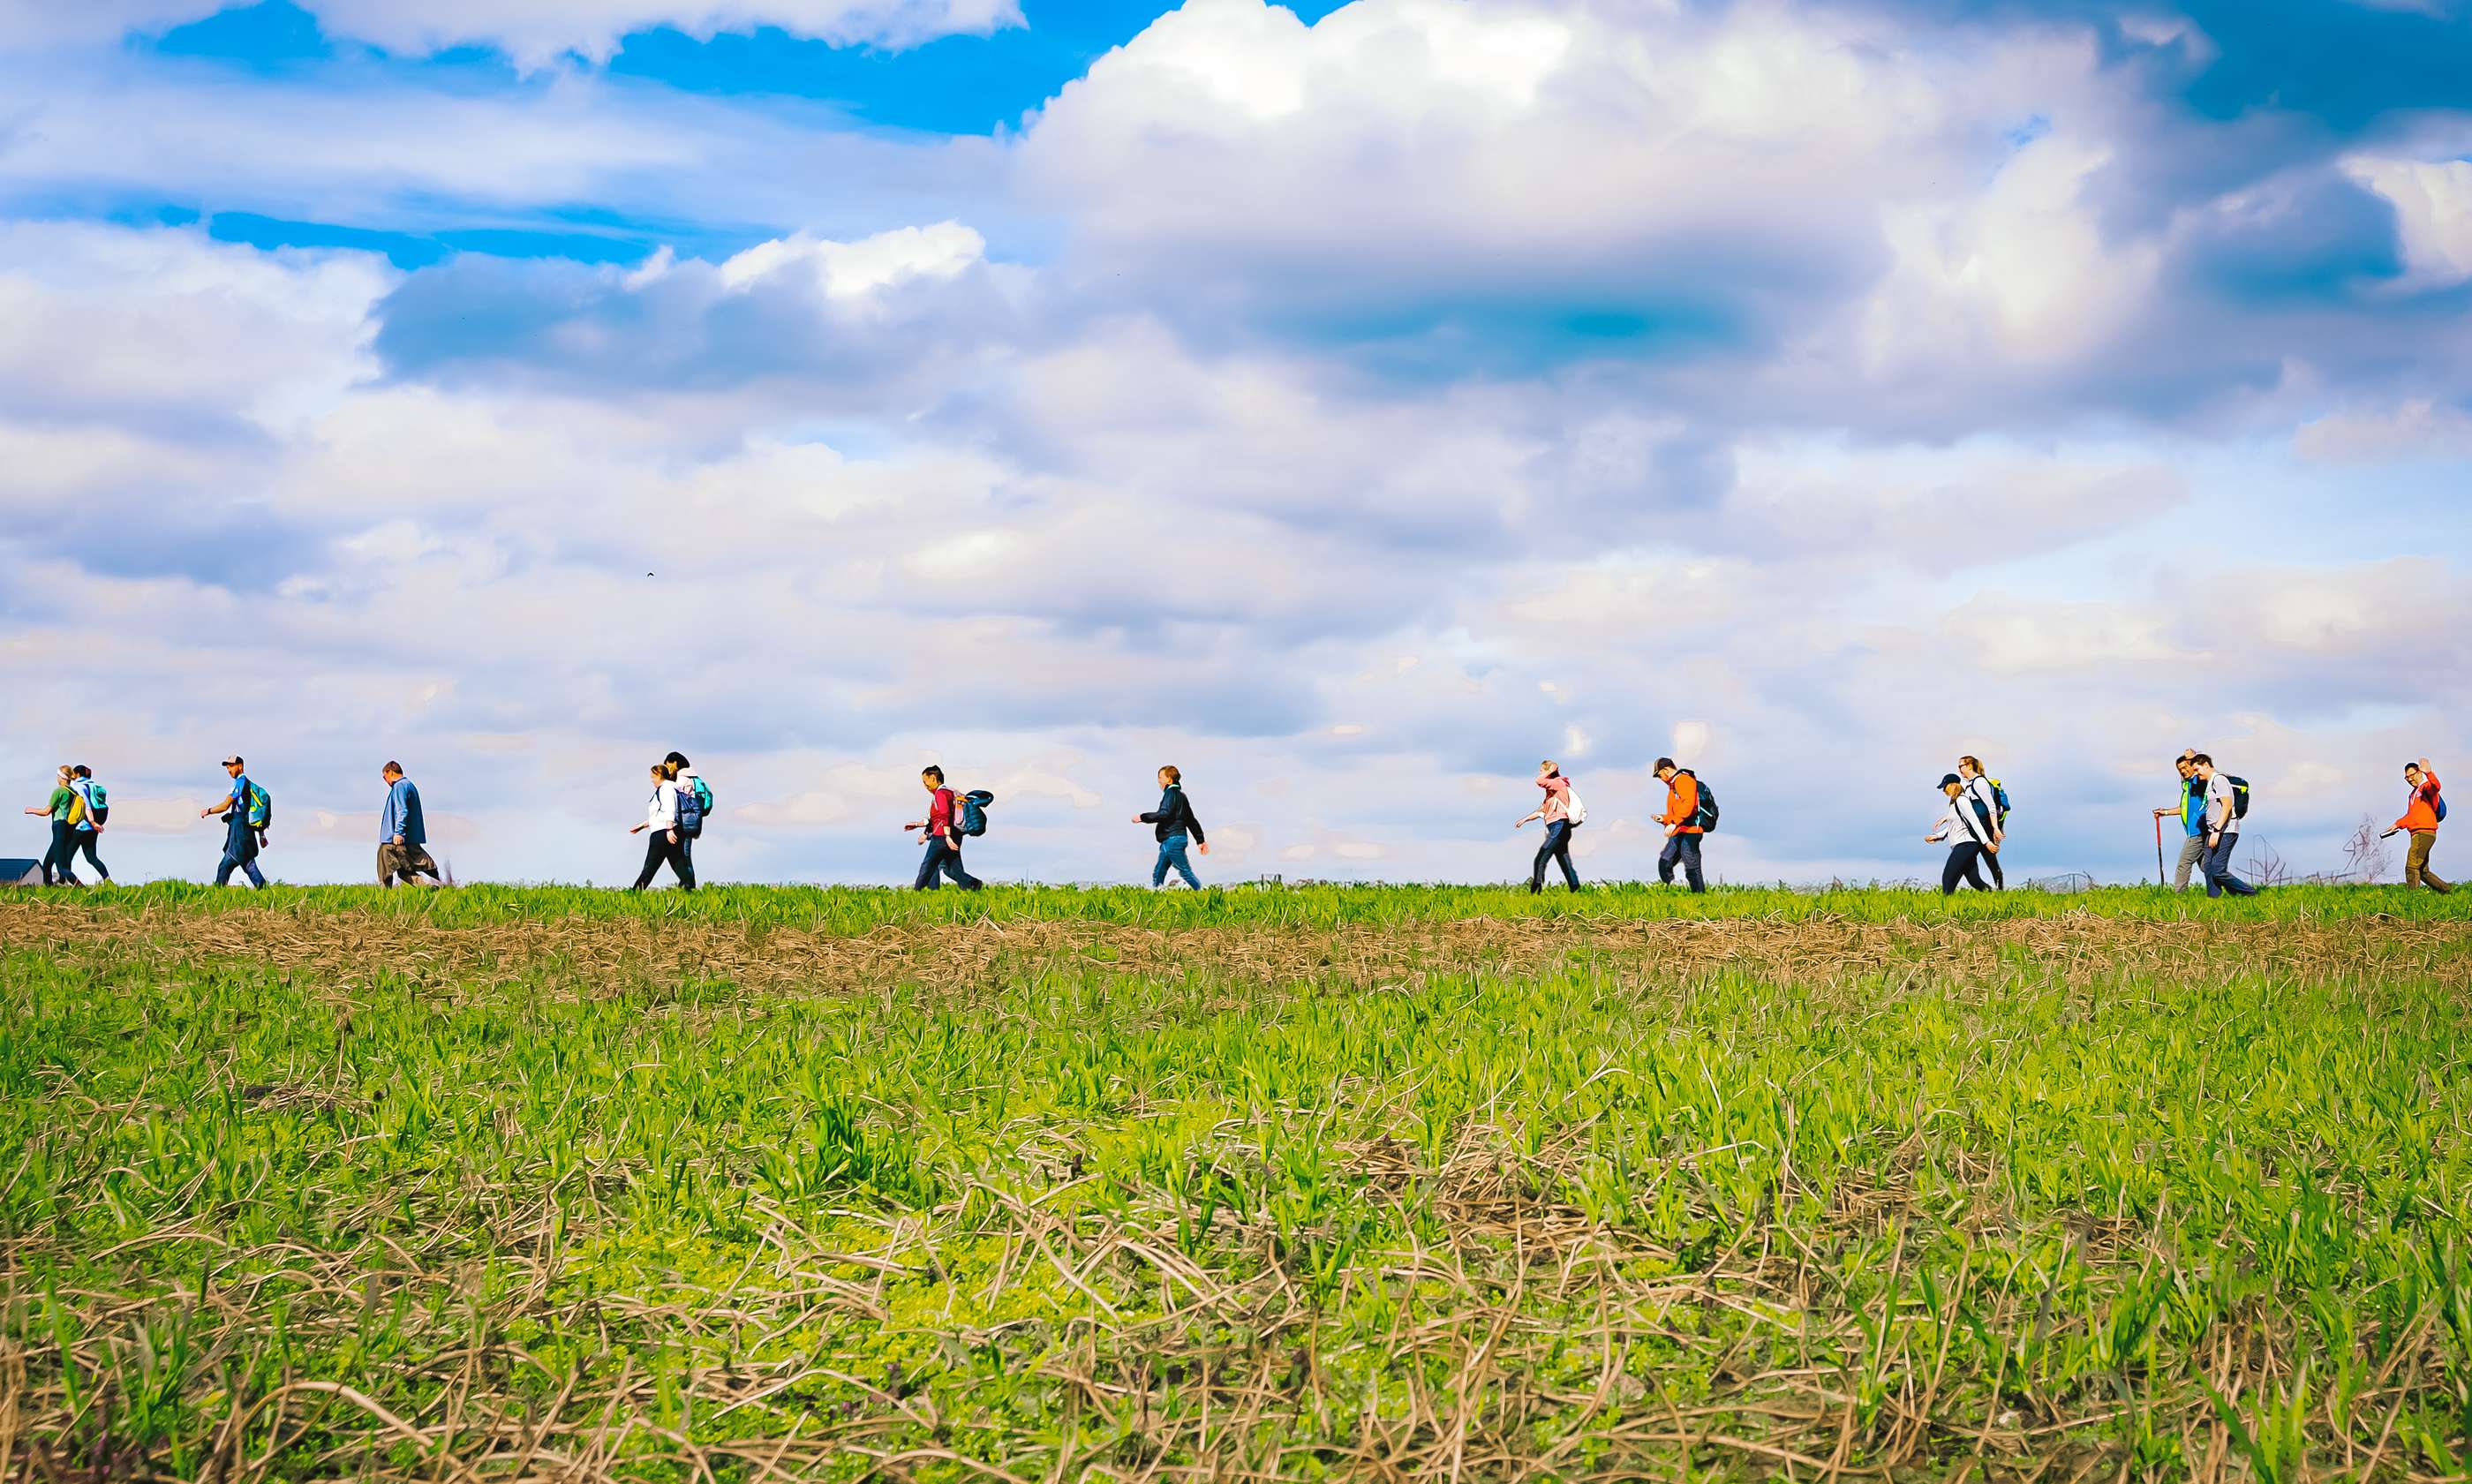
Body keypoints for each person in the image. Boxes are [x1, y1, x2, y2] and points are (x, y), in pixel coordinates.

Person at [904, 765, 982, 891]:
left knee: (928, 865)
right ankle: (971, 889)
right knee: (954, 869)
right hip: (954, 835)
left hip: (942, 837)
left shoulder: (940, 794)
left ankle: (918, 893)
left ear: (933, 778)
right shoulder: (951, 792)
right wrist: (918, 826)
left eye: (925, 782)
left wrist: (947, 837)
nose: (925, 786)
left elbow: (944, 815)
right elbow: (935, 818)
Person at [2191, 754, 2257, 897]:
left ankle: (2250, 893)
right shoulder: (2210, 784)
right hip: (2213, 831)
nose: (2196, 774)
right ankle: (2214, 900)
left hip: (2225, 830)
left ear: (2206, 765)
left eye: (2197, 770)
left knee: (2217, 869)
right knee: (2208, 867)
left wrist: (2217, 830)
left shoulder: (2219, 780)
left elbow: (2227, 806)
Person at [1134, 765, 1209, 888]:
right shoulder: (1181, 796)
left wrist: (1142, 817)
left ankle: (1202, 892)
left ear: (1169, 779)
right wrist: (1200, 840)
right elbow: (1191, 820)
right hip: (1172, 839)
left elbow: (1164, 814)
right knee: (1159, 871)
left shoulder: (1170, 794)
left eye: (1160, 777)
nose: (1158, 780)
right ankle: (1156, 895)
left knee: (1184, 871)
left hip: (1172, 840)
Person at [1514, 760, 1582, 893]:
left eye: (1541, 771)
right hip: (1555, 827)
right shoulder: (1551, 793)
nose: (1540, 774)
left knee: (1541, 856)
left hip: (1560, 826)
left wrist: (1550, 771)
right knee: (1564, 860)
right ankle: (1576, 889)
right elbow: (1542, 811)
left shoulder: (1558, 783)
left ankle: (1535, 891)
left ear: (1548, 771)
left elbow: (1539, 781)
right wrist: (1524, 820)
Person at [200, 754, 268, 888]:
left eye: (231, 766)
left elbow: (226, 805)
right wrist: (261, 835)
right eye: (227, 767)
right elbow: (253, 812)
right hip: (246, 831)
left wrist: (208, 811)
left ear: (240, 766)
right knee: (249, 864)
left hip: (240, 833)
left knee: (225, 865)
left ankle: (217, 894)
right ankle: (264, 890)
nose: (229, 770)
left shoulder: (240, 782)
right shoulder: (249, 785)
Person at [1926, 772, 1998, 894]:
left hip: (1966, 845)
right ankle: (1997, 897)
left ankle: (1946, 907)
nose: (1944, 790)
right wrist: (1938, 836)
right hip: (1963, 845)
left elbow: (1975, 823)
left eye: (1945, 786)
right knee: (1974, 880)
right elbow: (1954, 826)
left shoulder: (1962, 801)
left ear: (1954, 785)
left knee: (1948, 877)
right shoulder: (1954, 803)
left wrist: (1987, 842)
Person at [629, 760, 696, 891]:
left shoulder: (666, 788)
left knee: (650, 867)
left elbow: (670, 808)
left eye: (653, 777)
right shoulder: (670, 788)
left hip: (663, 833)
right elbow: (660, 814)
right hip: (668, 830)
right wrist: (642, 826)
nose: (652, 780)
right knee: (678, 864)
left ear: (660, 775)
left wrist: (669, 829)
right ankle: (690, 891)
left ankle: (634, 894)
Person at [2389, 757, 2451, 894]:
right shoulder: (2413, 795)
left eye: (2411, 775)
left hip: (2424, 832)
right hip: (2417, 833)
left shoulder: (2426, 787)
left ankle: (2413, 899)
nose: (2410, 779)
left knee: (2411, 866)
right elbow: (2411, 816)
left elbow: (2436, 787)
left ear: (2419, 772)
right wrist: (2397, 824)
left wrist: (2429, 773)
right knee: (2422, 870)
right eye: (2407, 777)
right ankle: (2447, 890)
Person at [378, 762, 444, 888]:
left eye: (384, 776)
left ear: (390, 772)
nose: (385, 780)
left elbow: (402, 810)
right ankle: (426, 887)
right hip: (407, 839)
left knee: (385, 869)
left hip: (394, 839)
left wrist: (398, 832)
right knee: (403, 870)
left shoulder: (400, 786)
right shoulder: (409, 785)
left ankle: (383, 898)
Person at [2152, 751, 2206, 890]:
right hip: (2194, 832)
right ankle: (2234, 889)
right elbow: (2184, 809)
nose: (2182, 771)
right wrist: (2165, 812)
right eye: (2179, 769)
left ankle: (2180, 896)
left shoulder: (2198, 782)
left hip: (2198, 831)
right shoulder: (2187, 787)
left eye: (2185, 767)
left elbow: (2203, 768)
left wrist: (2192, 758)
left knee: (2184, 862)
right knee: (2207, 866)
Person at [1653, 757, 1707, 893]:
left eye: (1659, 775)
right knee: (1665, 862)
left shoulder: (1684, 780)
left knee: (1692, 867)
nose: (1660, 779)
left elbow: (1688, 805)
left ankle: (1700, 898)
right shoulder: (1674, 785)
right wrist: (1664, 819)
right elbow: (1678, 809)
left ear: (1666, 770)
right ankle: (1672, 890)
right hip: (1679, 829)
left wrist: (1674, 822)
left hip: (1691, 831)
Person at [23, 765, 82, 885]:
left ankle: (82, 888)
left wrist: (31, 810)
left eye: (57, 775)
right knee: (47, 864)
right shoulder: (73, 792)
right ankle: (48, 889)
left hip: (59, 827)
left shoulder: (59, 791)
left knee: (61, 868)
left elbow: (46, 811)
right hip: (68, 829)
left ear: (61, 777)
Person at [1956, 756, 2006, 889]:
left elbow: (1991, 807)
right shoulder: (1967, 784)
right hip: (1975, 828)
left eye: (1961, 766)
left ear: (1970, 766)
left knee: (1990, 862)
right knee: (1969, 861)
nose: (1959, 769)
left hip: (1984, 827)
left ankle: (1999, 891)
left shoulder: (1979, 783)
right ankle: (1988, 890)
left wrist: (1995, 828)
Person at [69, 765, 109, 884]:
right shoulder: (92, 786)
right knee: (91, 857)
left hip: (81, 826)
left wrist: (92, 821)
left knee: (67, 857)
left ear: (78, 774)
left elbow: (87, 806)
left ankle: (74, 885)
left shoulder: (78, 787)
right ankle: (108, 880)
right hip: (92, 829)